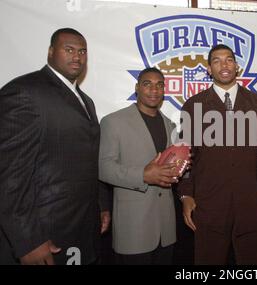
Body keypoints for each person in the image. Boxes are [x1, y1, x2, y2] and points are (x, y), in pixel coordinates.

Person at [0, 28, 110, 265]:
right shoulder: (25, 91)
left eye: (82, 51)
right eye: (68, 49)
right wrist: (27, 240)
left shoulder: (86, 101)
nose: (77, 57)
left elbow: (89, 159)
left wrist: (99, 205)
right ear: (51, 52)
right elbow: (8, 174)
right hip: (45, 232)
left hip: (81, 226)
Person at [178, 44, 257, 265]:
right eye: (216, 60)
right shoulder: (193, 105)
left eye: (229, 60)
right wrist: (186, 195)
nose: (223, 65)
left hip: (251, 204)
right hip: (209, 206)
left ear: (237, 66)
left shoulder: (256, 103)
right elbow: (186, 155)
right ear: (208, 69)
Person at [99, 67, 183, 265]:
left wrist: (181, 168)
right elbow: (103, 168)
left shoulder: (170, 125)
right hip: (133, 227)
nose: (154, 90)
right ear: (137, 88)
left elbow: (171, 171)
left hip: (166, 228)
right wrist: (143, 175)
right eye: (147, 84)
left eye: (159, 85)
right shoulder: (113, 121)